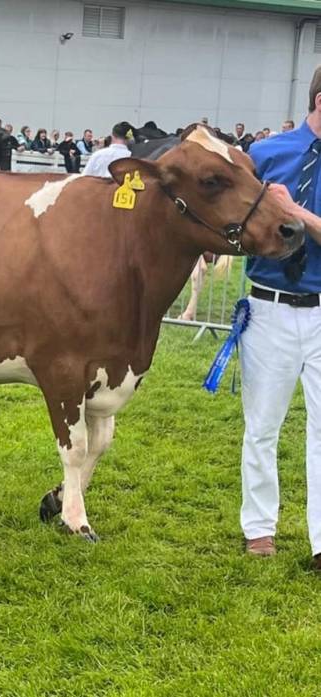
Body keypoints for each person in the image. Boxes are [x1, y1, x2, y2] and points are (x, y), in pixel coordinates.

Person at [239, 64, 321, 569]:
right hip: (267, 308)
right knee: (262, 427)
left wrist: (294, 214)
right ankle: (259, 528)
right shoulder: (264, 155)